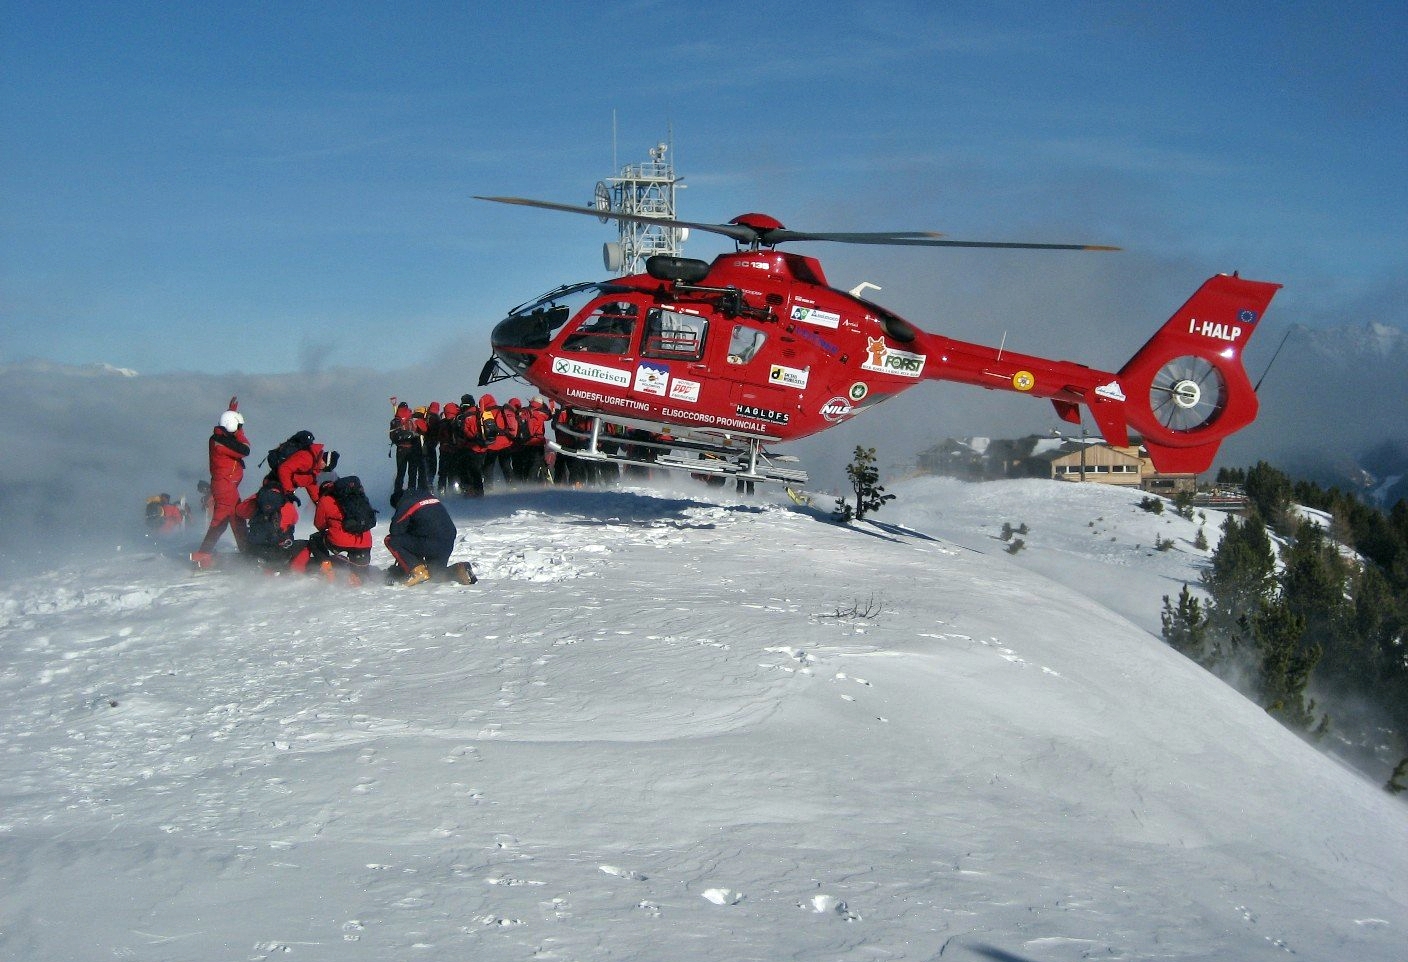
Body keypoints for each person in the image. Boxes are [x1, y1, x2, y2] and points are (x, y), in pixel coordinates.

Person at [192, 398, 249, 568]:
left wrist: (231, 414)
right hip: (225, 485)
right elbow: (245, 448)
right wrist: (237, 427)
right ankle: (203, 554)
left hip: (225, 485)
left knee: (232, 518)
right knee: (224, 519)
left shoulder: (219, 436)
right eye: (238, 426)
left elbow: (228, 430)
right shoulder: (222, 443)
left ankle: (245, 551)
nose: (240, 429)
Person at [383, 488, 475, 586]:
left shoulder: (406, 502)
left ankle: (418, 571)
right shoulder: (428, 497)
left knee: (391, 540)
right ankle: (460, 569)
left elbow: (395, 530)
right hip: (447, 539)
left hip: (431, 541)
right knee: (436, 574)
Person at [308, 475, 375, 586]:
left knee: (315, 538)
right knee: (360, 570)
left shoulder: (325, 500)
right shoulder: (358, 497)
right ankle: (356, 576)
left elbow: (319, 525)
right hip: (365, 542)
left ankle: (327, 567)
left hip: (340, 541)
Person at [388, 401, 424, 506]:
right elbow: (421, 430)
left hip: (400, 450)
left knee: (401, 472)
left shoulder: (395, 420)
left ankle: (397, 493)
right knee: (412, 472)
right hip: (413, 449)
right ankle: (411, 492)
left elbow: (392, 436)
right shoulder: (411, 419)